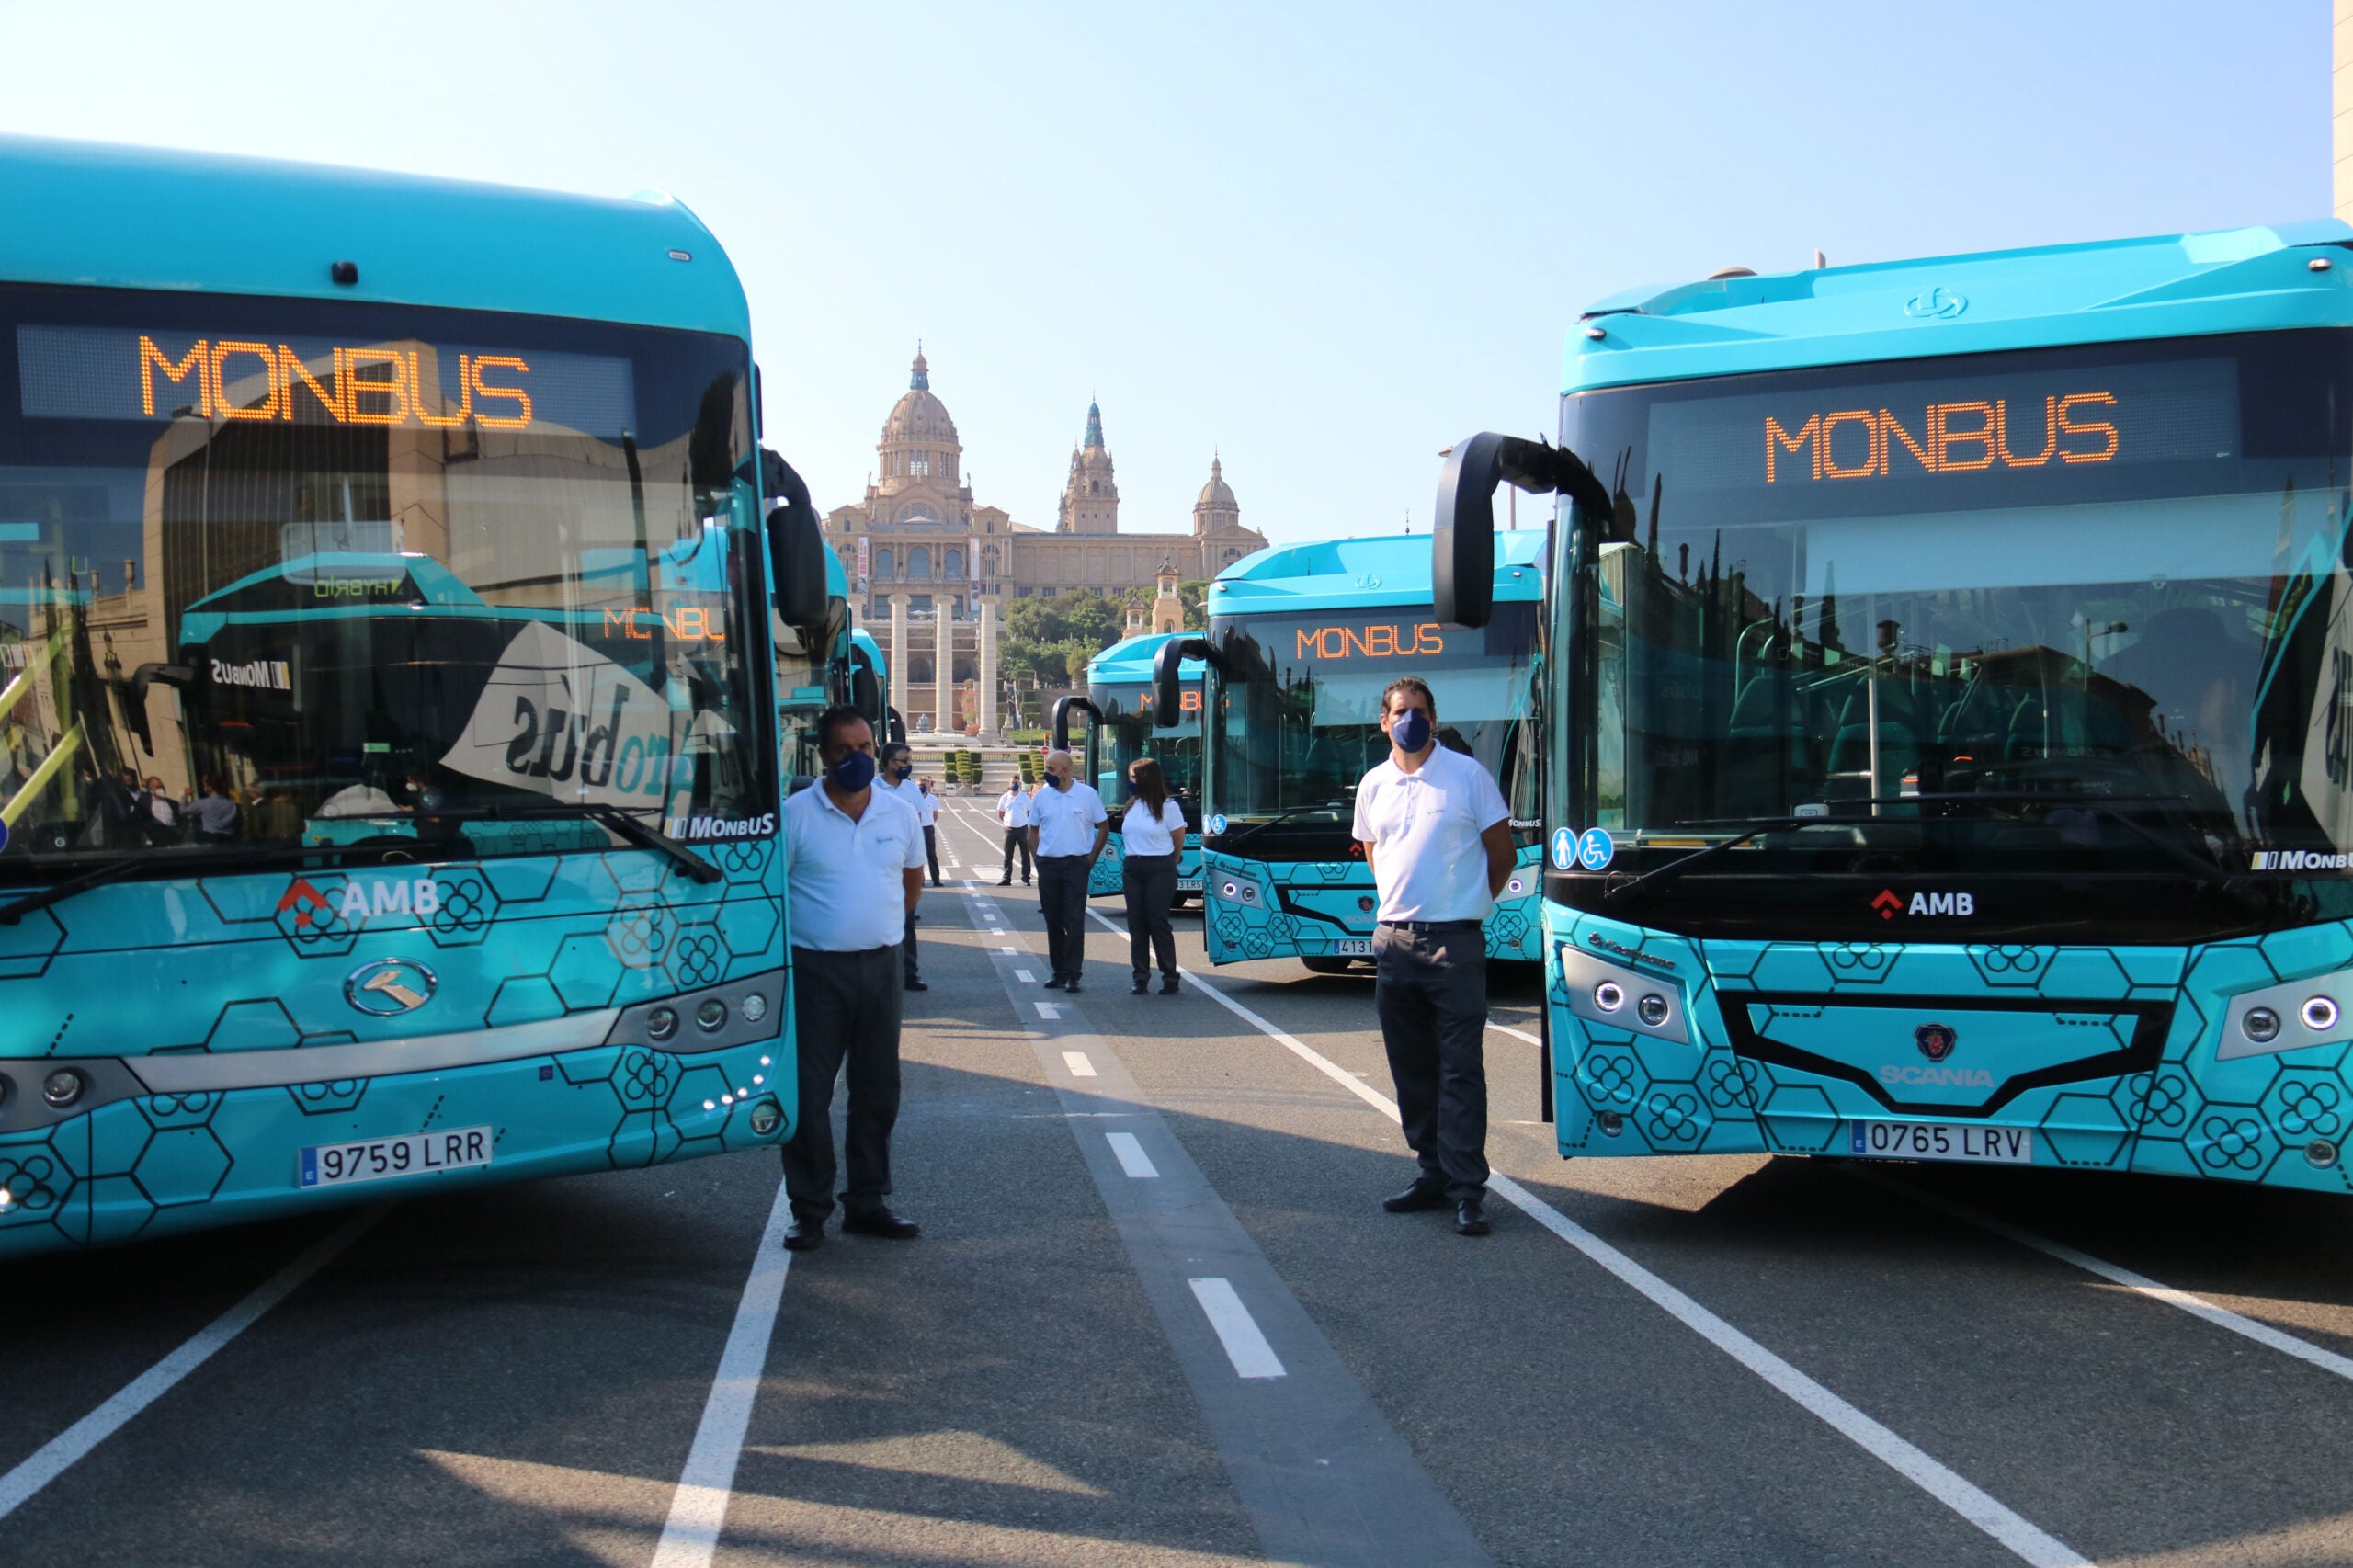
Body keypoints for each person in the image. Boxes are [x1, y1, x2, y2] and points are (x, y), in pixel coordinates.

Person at [1353, 676, 1514, 1238]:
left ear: (1434, 717)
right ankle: (1432, 1172)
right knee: (1412, 1070)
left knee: (1461, 1070)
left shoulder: (1468, 775)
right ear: (1384, 720)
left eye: (1419, 711)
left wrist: (1465, 905)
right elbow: (1375, 851)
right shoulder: (1372, 784)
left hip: (1456, 943)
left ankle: (1469, 1189)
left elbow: (1503, 853)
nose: (1410, 719)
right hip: (1394, 942)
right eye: (1401, 711)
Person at [779, 704, 927, 1252]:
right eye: (846, 750)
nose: (858, 759)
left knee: (877, 1091)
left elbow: (911, 885)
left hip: (880, 967)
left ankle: (867, 1201)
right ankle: (809, 1209)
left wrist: (881, 926)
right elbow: (775, 892)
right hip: (815, 971)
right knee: (808, 1096)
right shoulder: (796, 815)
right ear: (823, 755)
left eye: (866, 748)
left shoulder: (898, 814)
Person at [1028, 749, 1108, 993]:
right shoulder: (1042, 797)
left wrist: (1090, 859)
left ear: (1065, 771)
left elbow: (1103, 827)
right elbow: (1032, 830)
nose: (1046, 773)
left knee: (1074, 921)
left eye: (1051, 769)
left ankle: (1074, 973)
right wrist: (1037, 859)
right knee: (1053, 920)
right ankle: (1058, 972)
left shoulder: (1087, 795)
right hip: (1049, 865)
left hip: (1076, 865)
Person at [1119, 757, 1188, 995]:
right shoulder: (1132, 805)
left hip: (1159, 867)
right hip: (1133, 867)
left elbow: (1178, 838)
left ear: (1147, 779)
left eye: (1134, 777)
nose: (1130, 782)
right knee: (1136, 924)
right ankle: (1140, 978)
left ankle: (1170, 977)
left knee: (1157, 921)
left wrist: (1171, 861)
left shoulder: (1168, 807)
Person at [878, 742, 928, 992]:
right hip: (879, 863)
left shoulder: (911, 790)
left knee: (907, 921)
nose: (909, 766)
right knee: (879, 919)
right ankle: (883, 974)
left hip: (904, 862)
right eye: (904, 761)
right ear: (889, 763)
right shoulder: (873, 788)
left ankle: (910, 973)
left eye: (910, 761)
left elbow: (917, 825)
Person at [995, 777, 1034, 885]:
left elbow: (1029, 811)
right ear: (1009, 783)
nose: (1014, 784)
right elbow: (1001, 813)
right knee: (1008, 855)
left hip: (1022, 829)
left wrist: (1022, 820)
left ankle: (1026, 878)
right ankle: (1006, 878)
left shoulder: (1024, 797)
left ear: (1020, 784)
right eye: (1012, 782)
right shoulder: (1004, 797)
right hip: (1009, 830)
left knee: (1025, 855)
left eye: (1016, 783)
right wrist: (1008, 822)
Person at [192, 777, 239, 844]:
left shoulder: (228, 801)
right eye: (204, 784)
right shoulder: (203, 802)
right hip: (210, 837)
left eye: (205, 784)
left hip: (224, 837)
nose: (205, 787)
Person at [916, 776, 943, 886]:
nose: (922, 786)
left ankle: (936, 879)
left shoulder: (932, 799)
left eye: (924, 784)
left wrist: (929, 823)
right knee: (918, 855)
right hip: (917, 829)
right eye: (920, 784)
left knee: (931, 854)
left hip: (928, 828)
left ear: (928, 785)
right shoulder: (913, 798)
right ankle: (920, 879)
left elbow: (935, 814)